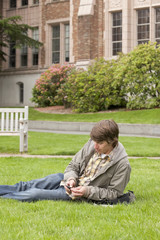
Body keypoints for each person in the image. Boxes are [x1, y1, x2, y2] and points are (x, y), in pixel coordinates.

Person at [0, 119, 132, 203]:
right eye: (94, 141)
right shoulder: (92, 144)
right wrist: (71, 179)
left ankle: (4, 199)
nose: (95, 146)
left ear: (113, 142)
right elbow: (73, 165)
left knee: (34, 194)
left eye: (100, 143)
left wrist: (86, 191)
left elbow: (114, 193)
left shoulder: (122, 164)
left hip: (77, 194)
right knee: (25, 185)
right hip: (67, 181)